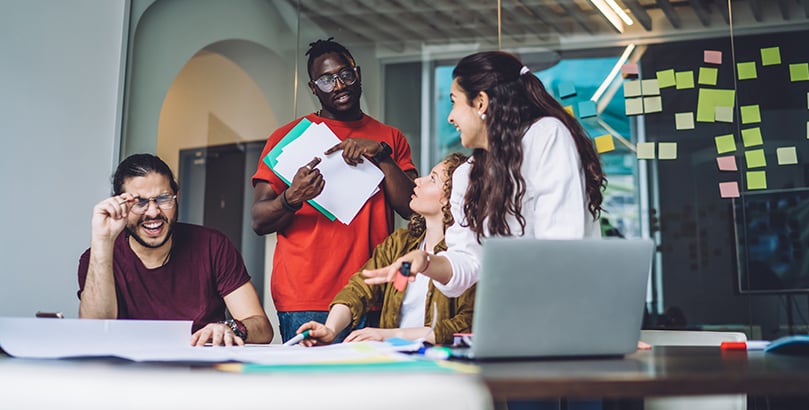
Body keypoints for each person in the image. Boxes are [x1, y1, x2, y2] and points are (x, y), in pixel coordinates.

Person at [362, 50, 606, 298]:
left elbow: (562, 243)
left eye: (454, 101)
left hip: (564, 304)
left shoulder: (545, 136)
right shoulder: (467, 175)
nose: (450, 116)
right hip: (513, 312)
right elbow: (467, 262)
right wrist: (425, 262)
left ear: (480, 102)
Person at [250, 38, 418, 342]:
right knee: (312, 389)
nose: (338, 85)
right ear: (314, 89)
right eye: (326, 80)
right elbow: (259, 220)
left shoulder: (389, 138)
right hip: (306, 295)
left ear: (359, 75)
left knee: (373, 388)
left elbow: (412, 208)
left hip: (372, 290)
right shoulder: (287, 138)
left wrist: (380, 156)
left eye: (345, 74)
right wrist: (292, 197)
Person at [78, 154, 273, 346]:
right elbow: (94, 332)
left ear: (177, 197)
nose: (153, 212)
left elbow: (262, 328)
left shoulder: (212, 246)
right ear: (119, 205)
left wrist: (230, 327)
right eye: (139, 202)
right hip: (126, 372)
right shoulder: (97, 257)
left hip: (200, 371)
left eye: (163, 199)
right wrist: (102, 240)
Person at [296, 153, 473, 346]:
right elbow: (359, 288)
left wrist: (390, 335)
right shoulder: (399, 244)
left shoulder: (468, 256)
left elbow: (466, 325)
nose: (419, 181)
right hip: (394, 357)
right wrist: (330, 329)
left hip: (439, 363)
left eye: (432, 179)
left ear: (452, 198)